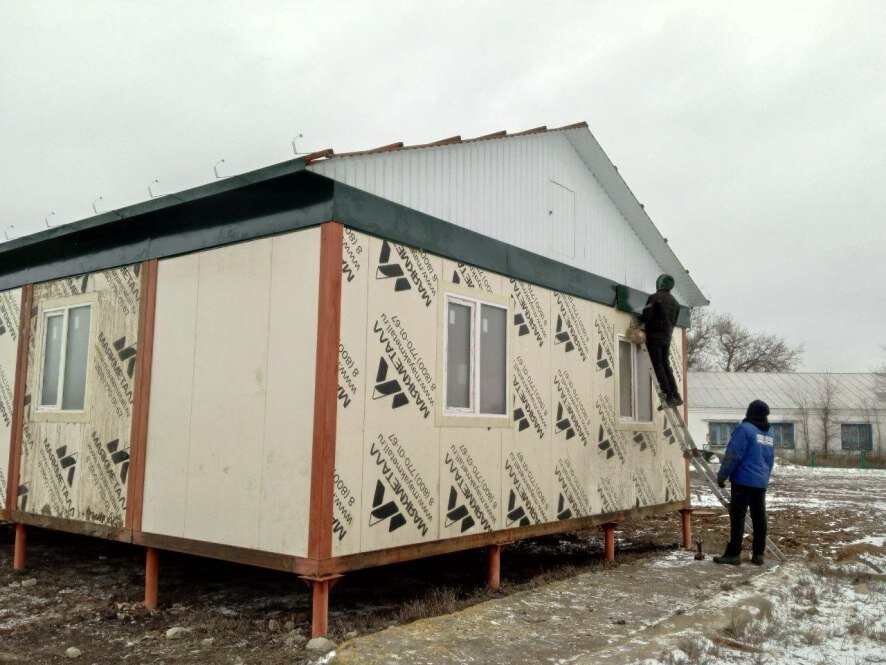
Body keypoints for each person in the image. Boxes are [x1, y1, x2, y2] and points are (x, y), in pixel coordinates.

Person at [713, 400, 776, 566]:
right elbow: (770, 460)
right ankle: (758, 555)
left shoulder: (744, 429)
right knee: (759, 517)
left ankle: (733, 554)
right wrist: (764, 478)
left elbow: (734, 454)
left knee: (738, 516)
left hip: (743, 480)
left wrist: (722, 475)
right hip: (760, 481)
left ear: (750, 412)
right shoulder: (768, 434)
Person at [641, 274, 682, 407]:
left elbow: (646, 315)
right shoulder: (676, 303)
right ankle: (676, 395)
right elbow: (674, 322)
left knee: (658, 365)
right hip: (667, 337)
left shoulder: (654, 297)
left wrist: (640, 324)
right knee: (665, 365)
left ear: (659, 284)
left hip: (655, 337)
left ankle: (668, 396)